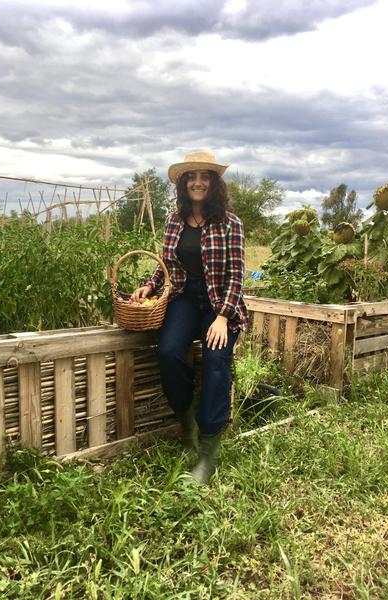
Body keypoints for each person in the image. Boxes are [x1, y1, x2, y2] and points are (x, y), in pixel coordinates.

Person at [131, 151, 248, 484]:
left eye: (204, 176)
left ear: (214, 183)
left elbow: (237, 275)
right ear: (184, 184)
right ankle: (188, 425)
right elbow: (166, 266)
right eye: (191, 177)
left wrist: (223, 317)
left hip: (219, 301)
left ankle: (209, 451)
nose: (198, 182)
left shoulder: (231, 223)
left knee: (216, 358)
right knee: (168, 352)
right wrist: (149, 286)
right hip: (184, 296)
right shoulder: (174, 220)